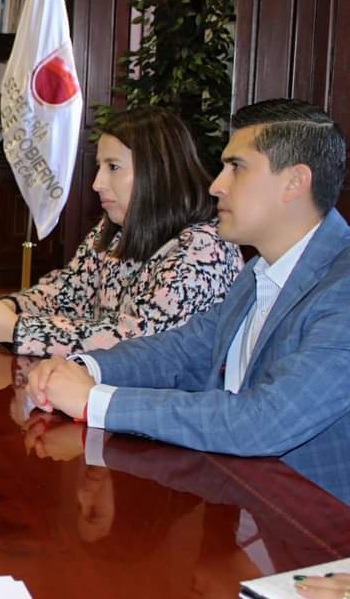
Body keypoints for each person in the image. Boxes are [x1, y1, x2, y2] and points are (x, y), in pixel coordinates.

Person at [26, 98, 350, 505]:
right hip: (237, 504)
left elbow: (262, 421)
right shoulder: (260, 271)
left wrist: (96, 400)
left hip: (312, 537)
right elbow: (181, 352)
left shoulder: (343, 288)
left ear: (294, 183)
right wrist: (82, 367)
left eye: (237, 168)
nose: (217, 185)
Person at [0, 107, 242, 356]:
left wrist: (16, 329)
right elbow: (68, 292)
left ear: (157, 170)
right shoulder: (115, 226)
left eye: (113, 167)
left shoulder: (205, 248)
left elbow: (138, 341)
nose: (97, 183)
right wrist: (11, 306)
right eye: (99, 167)